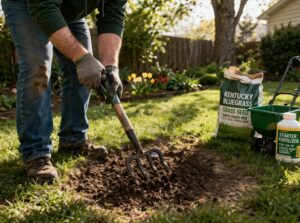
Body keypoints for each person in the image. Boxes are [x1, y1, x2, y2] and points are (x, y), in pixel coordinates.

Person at [2, 0, 127, 183]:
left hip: (67, 9)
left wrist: (111, 67)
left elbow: (112, 16)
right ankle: (36, 153)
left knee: (87, 71)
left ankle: (73, 140)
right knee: (37, 69)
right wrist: (81, 58)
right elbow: (42, 7)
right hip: (28, 4)